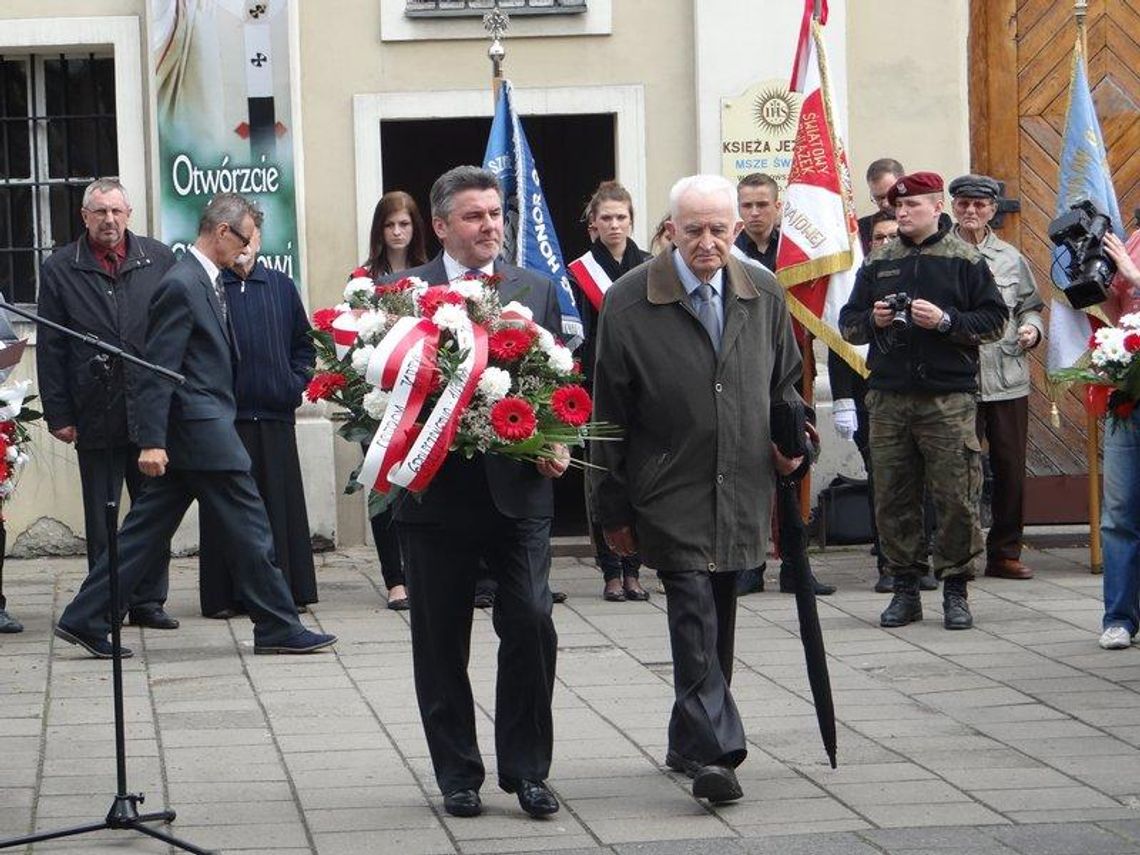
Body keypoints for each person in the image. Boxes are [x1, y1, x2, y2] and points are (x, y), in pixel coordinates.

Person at [593, 174, 805, 804]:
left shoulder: (762, 290)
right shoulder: (630, 302)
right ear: (670, 231)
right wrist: (610, 508)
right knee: (691, 607)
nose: (707, 242)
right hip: (668, 485)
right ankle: (717, 753)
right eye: (694, 231)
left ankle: (688, 738)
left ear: (737, 230)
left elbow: (784, 381)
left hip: (740, 482)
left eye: (719, 229)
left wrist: (794, 443)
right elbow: (610, 414)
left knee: (720, 612)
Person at [53, 193, 337, 659]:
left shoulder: (203, 279)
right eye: (243, 239)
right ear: (223, 232)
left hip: (198, 431)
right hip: (200, 432)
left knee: (142, 533)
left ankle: (84, 617)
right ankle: (278, 625)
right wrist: (151, 440)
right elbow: (155, 368)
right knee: (251, 527)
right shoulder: (182, 284)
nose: (246, 250)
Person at [385, 166, 568, 820]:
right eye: (474, 216)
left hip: (517, 496)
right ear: (440, 226)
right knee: (440, 643)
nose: (490, 225)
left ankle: (528, 771)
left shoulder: (536, 289)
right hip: (434, 500)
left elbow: (552, 382)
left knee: (531, 623)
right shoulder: (399, 294)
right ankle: (457, 772)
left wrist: (557, 434)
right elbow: (381, 397)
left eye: (495, 213)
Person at [839, 171, 1007, 631]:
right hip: (890, 398)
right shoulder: (879, 261)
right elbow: (848, 324)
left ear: (937, 208)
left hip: (947, 399)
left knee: (956, 497)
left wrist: (948, 321)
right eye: (897, 206)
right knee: (893, 498)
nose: (902, 213)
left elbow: (995, 321)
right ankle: (904, 590)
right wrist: (872, 320)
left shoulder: (965, 260)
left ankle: (956, 589)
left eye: (912, 205)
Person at [36, 177, 179, 631]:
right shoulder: (61, 267)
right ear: (85, 217)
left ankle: (149, 600)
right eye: (99, 212)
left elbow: (176, 331)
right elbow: (51, 346)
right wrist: (58, 413)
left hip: (150, 409)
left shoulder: (158, 258)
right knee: (104, 518)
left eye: (116, 212)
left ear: (129, 214)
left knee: (152, 511)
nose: (109, 221)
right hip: (94, 409)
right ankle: (107, 603)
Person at [197, 216, 319, 618]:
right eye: (240, 235)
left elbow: (304, 344)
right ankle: (226, 595)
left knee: (280, 507)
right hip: (227, 421)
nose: (246, 243)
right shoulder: (213, 289)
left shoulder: (281, 286)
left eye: (254, 235)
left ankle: (289, 590)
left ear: (261, 239)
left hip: (275, 415)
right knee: (227, 510)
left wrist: (294, 382)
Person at [831, 212, 938, 594]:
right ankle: (888, 561)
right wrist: (842, 397)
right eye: (878, 237)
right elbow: (842, 334)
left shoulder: (923, 271)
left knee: (924, 482)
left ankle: (922, 557)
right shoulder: (864, 275)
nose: (885, 242)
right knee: (886, 482)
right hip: (873, 396)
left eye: (892, 235)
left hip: (924, 392)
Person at [948, 174, 1045, 581]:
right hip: (955, 378)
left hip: (1006, 376)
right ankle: (956, 553)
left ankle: (1005, 552)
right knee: (954, 470)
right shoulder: (940, 253)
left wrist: (1032, 329)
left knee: (1009, 467)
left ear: (992, 209)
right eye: (964, 204)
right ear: (953, 206)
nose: (971, 211)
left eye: (980, 205)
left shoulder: (1009, 257)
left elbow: (1030, 306)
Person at [567, 180, 651, 602]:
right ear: (593, 226)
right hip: (597, 388)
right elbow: (575, 337)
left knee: (639, 477)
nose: (615, 225)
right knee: (602, 480)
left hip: (643, 389)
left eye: (621, 217)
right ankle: (610, 570)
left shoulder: (652, 266)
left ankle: (635, 568)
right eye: (606, 218)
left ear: (632, 221)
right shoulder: (578, 274)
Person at [352, 190, 428, 610]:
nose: (398, 232)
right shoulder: (363, 279)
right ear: (379, 230)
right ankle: (394, 579)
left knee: (419, 481)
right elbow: (351, 339)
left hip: (422, 396)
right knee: (380, 482)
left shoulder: (431, 275)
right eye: (390, 225)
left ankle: (423, 570)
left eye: (405, 224)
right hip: (377, 398)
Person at [1096, 229, 1140, 650]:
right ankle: (1119, 618)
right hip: (1128, 395)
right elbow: (1110, 308)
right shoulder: (1131, 240)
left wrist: (1133, 274)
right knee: (1120, 512)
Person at [732, 172, 781, 271]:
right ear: (738, 209)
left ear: (777, 207)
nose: (754, 213)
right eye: (747, 206)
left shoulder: (790, 248)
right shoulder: (730, 250)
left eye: (762, 205)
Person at [857, 158, 905, 254]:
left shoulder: (932, 224)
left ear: (903, 186)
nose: (886, 204)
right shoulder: (861, 230)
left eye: (890, 195)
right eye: (879, 198)